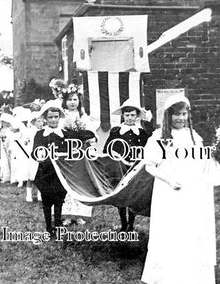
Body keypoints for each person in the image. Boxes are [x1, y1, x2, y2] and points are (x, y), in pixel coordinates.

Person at [140, 94, 220, 284]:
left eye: (184, 113)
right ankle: (172, 282)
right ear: (168, 116)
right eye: (176, 114)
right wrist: (169, 180)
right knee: (173, 233)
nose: (180, 118)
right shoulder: (159, 137)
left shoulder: (194, 135)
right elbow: (149, 165)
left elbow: (203, 159)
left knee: (192, 232)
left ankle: (193, 279)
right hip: (171, 190)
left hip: (193, 191)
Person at [32, 100, 95, 235]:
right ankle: (49, 228)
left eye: (56, 117)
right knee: (47, 201)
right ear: (45, 118)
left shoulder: (65, 134)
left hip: (61, 173)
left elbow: (83, 136)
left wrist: (91, 136)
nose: (53, 120)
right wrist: (40, 154)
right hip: (45, 173)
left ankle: (58, 225)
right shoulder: (40, 134)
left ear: (59, 117)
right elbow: (34, 152)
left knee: (59, 200)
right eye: (50, 117)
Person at [103, 99, 152, 232]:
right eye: (127, 115)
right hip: (120, 168)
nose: (130, 118)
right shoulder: (116, 131)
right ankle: (123, 223)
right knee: (121, 194)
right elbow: (107, 149)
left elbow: (149, 148)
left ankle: (131, 223)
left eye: (132, 115)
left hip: (135, 167)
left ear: (137, 116)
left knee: (132, 194)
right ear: (123, 116)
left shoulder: (142, 133)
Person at [60, 88, 97, 225]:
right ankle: (67, 215)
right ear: (65, 101)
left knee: (81, 181)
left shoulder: (83, 116)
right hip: (67, 152)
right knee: (68, 181)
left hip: (81, 152)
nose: (72, 102)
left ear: (79, 101)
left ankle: (80, 214)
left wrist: (88, 139)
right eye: (69, 99)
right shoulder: (62, 116)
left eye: (75, 99)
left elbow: (91, 134)